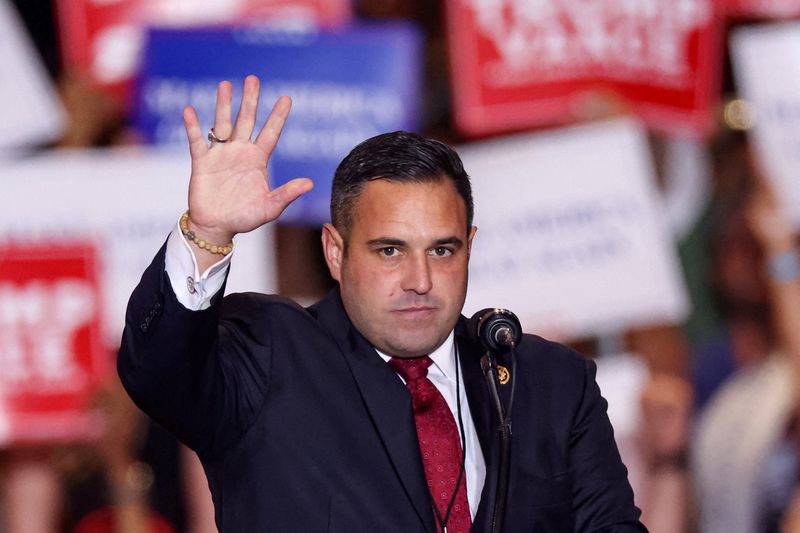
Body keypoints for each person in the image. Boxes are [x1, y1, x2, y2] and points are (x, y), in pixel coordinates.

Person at [118, 75, 645, 532]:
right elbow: (158, 367)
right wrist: (207, 233)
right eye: (390, 251)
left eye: (442, 249)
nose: (419, 279)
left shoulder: (549, 380)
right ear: (335, 251)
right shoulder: (270, 356)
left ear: (470, 247)